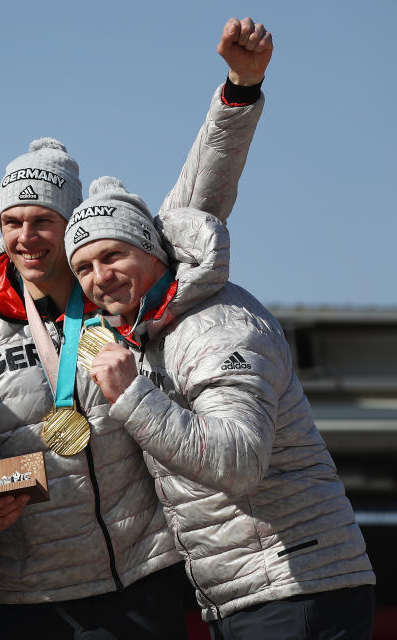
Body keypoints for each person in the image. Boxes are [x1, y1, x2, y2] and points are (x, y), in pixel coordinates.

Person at [0, 17, 273, 640]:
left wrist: (239, 91)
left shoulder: (125, 302)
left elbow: (203, 191)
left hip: (141, 579)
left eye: (43, 221)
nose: (26, 238)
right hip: (26, 597)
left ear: (72, 222)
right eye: (12, 221)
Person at [66, 176, 376, 639]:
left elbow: (241, 460)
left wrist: (131, 396)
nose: (100, 278)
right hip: (252, 591)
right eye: (84, 268)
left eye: (113, 256)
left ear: (153, 252)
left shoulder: (214, 326)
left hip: (295, 587)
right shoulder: (157, 332)